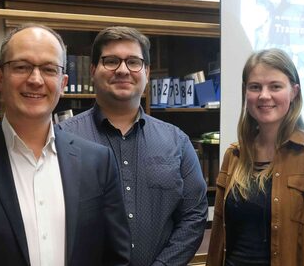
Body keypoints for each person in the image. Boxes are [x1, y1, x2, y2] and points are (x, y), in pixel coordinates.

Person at [0, 23, 131, 266]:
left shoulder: (98, 162)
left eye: (49, 69)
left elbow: (116, 258)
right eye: (22, 67)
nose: (35, 79)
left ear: (63, 84)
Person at [58, 26, 208, 266]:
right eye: (111, 61)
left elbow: (194, 215)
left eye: (133, 62)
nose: (123, 70)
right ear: (93, 70)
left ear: (147, 72)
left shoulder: (177, 141)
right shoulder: (62, 139)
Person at [207, 48, 304, 266]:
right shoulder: (234, 155)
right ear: (246, 93)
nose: (264, 95)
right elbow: (218, 240)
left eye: (275, 86)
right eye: (255, 87)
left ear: (294, 92)